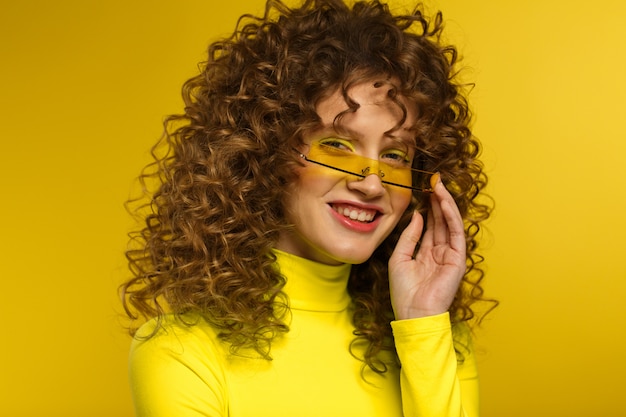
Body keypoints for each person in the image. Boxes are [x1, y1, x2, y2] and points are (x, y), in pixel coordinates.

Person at [120, 0, 495, 415]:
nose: (371, 183)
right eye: (336, 145)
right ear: (263, 152)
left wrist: (422, 324)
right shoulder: (182, 351)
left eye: (394, 155)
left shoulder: (436, 340)